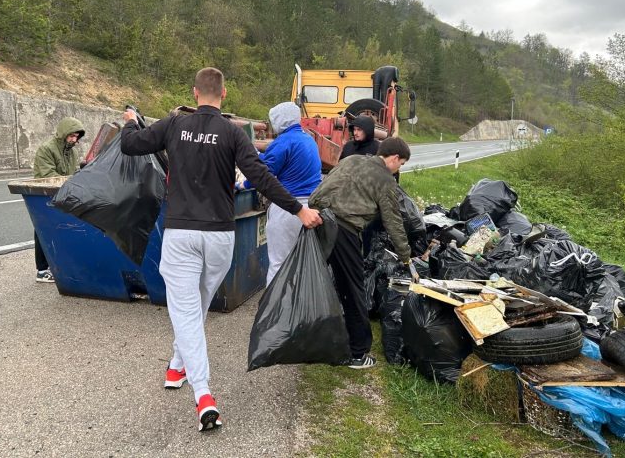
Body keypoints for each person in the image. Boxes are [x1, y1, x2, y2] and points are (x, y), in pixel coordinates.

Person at [120, 67, 322, 432]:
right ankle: (177, 366)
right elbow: (262, 177)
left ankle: (203, 394)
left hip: (181, 233)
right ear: (223, 94)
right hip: (219, 238)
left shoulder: (172, 125)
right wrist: (300, 209)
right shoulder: (232, 133)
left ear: (195, 93)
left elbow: (130, 145)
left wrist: (131, 122)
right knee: (193, 308)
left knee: (185, 311)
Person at [308, 137, 412, 368]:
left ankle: (308, 333)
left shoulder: (351, 159)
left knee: (316, 280)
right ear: (394, 158)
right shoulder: (385, 180)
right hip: (344, 230)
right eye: (401, 164)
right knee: (354, 289)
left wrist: (315, 213)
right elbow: (393, 221)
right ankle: (357, 353)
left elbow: (321, 188)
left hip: (318, 221)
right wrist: (405, 255)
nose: (399, 168)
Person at [237, 101, 322, 285]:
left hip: (288, 209)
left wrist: (241, 185)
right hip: (311, 208)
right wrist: (258, 157)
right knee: (301, 263)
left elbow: (262, 175)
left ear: (280, 120)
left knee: (279, 263)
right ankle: (299, 308)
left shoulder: (283, 142)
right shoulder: (308, 140)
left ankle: (275, 309)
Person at [31, 117, 85, 283]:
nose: (74, 140)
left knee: (62, 229)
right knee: (42, 231)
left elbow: (72, 173)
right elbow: (47, 176)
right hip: (44, 195)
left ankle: (60, 266)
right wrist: (71, 184)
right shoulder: (46, 149)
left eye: (77, 137)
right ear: (63, 133)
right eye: (71, 136)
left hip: (63, 194)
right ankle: (41, 270)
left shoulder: (73, 151)